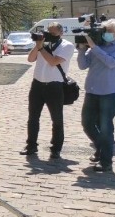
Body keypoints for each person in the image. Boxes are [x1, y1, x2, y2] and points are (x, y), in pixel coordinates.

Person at [77, 19, 115, 172]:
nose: (105, 34)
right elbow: (83, 65)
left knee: (106, 128)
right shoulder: (99, 46)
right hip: (92, 91)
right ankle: (101, 148)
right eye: (104, 31)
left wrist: (93, 46)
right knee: (87, 124)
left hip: (109, 93)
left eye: (108, 31)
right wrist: (81, 49)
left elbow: (110, 62)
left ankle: (106, 162)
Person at [24, 22, 76, 159]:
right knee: (33, 117)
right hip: (37, 84)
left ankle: (56, 148)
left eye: (54, 33)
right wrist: (38, 45)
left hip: (55, 86)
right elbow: (30, 59)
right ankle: (31, 145)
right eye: (49, 33)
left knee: (57, 119)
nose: (51, 36)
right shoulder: (43, 44)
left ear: (61, 33)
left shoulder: (67, 46)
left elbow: (53, 62)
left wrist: (42, 49)